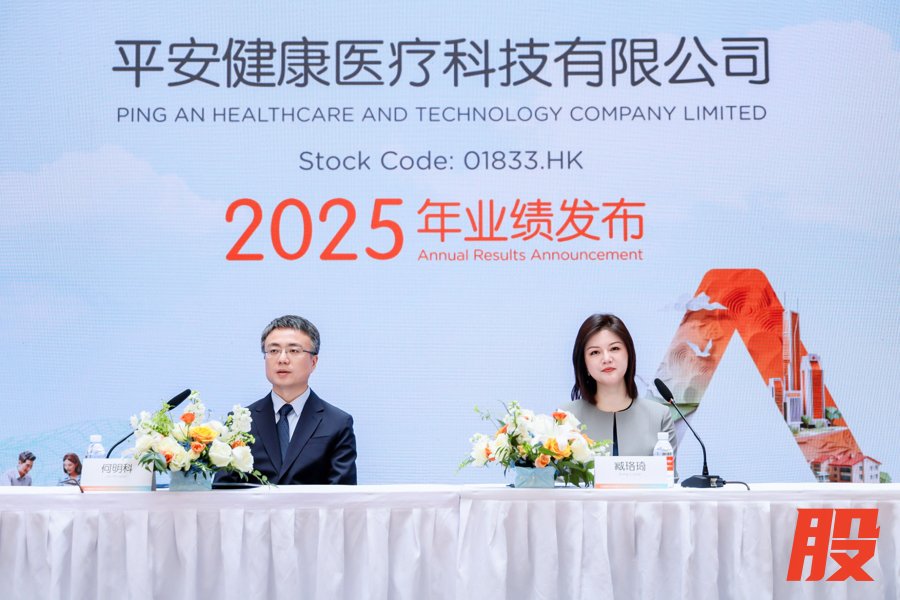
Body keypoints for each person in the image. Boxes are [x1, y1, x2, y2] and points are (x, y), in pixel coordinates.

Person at [226, 315, 357, 485]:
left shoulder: (337, 423)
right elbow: (224, 490)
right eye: (274, 351)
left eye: (294, 351)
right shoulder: (240, 421)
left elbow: (342, 494)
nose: (282, 359)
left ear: (313, 362)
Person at [569, 314, 676, 456]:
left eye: (614, 348)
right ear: (584, 363)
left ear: (629, 354)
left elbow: (668, 471)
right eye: (595, 352)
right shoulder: (567, 418)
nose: (606, 359)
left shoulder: (659, 417)